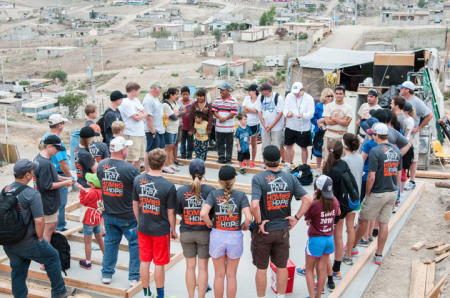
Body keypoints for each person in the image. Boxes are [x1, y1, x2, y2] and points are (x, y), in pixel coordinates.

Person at [3, 159, 76, 298]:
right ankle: (59, 291)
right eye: (32, 171)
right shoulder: (31, 193)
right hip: (28, 241)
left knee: (18, 271)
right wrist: (40, 238)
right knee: (53, 256)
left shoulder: (6, 189)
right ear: (27, 175)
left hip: (9, 241)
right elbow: (39, 220)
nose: (34, 173)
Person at [250, 145, 312, 298]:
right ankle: (281, 296)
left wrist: (259, 222)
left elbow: (255, 205)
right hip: (282, 230)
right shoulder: (290, 177)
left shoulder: (258, 178)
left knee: (262, 268)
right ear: (280, 160)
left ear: (264, 160)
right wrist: (296, 218)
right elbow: (307, 199)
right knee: (281, 266)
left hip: (264, 231)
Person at [353, 123, 402, 265]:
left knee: (362, 220)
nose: (370, 136)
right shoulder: (396, 151)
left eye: (372, 134)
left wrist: (368, 193)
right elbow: (398, 174)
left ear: (376, 135)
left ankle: (352, 247)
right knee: (384, 223)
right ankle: (379, 254)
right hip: (391, 191)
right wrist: (395, 189)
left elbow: (371, 176)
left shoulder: (375, 151)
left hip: (377, 192)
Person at [200, 165, 252, 298]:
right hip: (235, 237)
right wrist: (245, 225)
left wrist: (209, 222)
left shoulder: (213, 194)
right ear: (234, 180)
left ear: (219, 180)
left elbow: (203, 213)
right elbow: (249, 217)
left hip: (217, 235)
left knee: (218, 275)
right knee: (231, 276)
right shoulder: (241, 195)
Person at [133, 148, 178, 298]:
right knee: (159, 263)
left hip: (144, 227)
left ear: (148, 162)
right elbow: (171, 212)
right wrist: (173, 230)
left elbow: (135, 204)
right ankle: (160, 294)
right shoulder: (168, 186)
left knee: (144, 261)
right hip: (161, 230)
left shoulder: (138, 180)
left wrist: (140, 222)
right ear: (164, 163)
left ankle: (146, 292)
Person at [97, 137, 141, 286]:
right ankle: (134, 277)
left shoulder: (101, 165)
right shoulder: (130, 169)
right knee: (134, 244)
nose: (127, 150)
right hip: (128, 215)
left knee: (110, 242)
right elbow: (139, 190)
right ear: (123, 150)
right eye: (126, 148)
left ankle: (106, 274)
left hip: (109, 214)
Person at [175, 159, 215, 298]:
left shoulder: (181, 190)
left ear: (189, 172)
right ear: (204, 172)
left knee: (190, 267)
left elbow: (179, 212)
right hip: (204, 233)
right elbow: (213, 214)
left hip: (187, 232)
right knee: (203, 268)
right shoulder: (211, 190)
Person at [35, 135, 74, 270]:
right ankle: (44, 261)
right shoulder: (45, 163)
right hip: (48, 202)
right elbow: (46, 185)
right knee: (48, 231)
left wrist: (64, 179)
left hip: (45, 201)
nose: (58, 151)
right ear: (49, 146)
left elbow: (51, 176)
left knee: (48, 230)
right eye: (56, 148)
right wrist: (64, 183)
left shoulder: (40, 158)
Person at [304, 175, 340, 298]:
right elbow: (338, 213)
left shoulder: (315, 204)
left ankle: (312, 296)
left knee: (309, 269)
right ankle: (318, 295)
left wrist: (314, 199)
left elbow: (307, 219)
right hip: (329, 237)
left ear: (317, 189)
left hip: (316, 239)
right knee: (323, 268)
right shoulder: (334, 201)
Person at [322, 139, 353, 280]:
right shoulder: (343, 164)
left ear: (328, 152)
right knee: (338, 236)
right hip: (343, 205)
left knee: (324, 238)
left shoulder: (328, 170)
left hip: (329, 207)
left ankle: (322, 270)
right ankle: (336, 269)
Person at [398, 81, 433, 191]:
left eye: (402, 88)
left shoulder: (416, 101)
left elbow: (429, 114)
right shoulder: (403, 101)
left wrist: (419, 127)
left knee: (413, 156)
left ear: (407, 90)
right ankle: (401, 179)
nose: (400, 89)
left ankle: (412, 181)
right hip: (402, 132)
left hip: (412, 134)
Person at [42, 113, 72, 232]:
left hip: (51, 172)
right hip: (59, 173)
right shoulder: (57, 141)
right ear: (60, 125)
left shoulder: (45, 137)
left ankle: (52, 224)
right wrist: (69, 177)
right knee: (61, 202)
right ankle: (59, 226)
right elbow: (62, 163)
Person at [341, 133, 363, 266]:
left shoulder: (344, 161)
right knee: (350, 226)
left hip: (345, 198)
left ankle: (341, 255)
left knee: (339, 228)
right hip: (356, 196)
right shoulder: (360, 157)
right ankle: (350, 252)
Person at [357, 117, 379, 246]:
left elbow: (362, 160)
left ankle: (364, 237)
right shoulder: (383, 145)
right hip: (377, 177)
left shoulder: (368, 144)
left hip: (366, 176)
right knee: (373, 208)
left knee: (364, 208)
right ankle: (370, 235)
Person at [283, 82, 315, 170]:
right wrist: (287, 114)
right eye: (294, 92)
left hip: (303, 127)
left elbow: (311, 113)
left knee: (304, 147)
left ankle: (304, 165)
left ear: (302, 90)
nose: (296, 94)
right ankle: (287, 164)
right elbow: (285, 109)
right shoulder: (289, 96)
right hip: (290, 126)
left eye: (298, 92)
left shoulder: (309, 98)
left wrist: (303, 115)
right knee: (288, 145)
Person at [79, 173, 105, 270]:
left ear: (92, 184)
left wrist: (82, 192)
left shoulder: (92, 192)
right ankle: (105, 256)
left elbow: (83, 202)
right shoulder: (101, 191)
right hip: (97, 218)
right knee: (99, 239)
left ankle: (88, 262)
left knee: (88, 242)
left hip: (89, 219)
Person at [119, 82, 147, 169]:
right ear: (133, 91)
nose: (138, 93)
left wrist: (140, 115)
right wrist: (141, 116)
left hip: (139, 133)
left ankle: (136, 174)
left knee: (138, 156)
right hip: (131, 133)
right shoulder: (125, 102)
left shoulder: (136, 100)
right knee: (130, 157)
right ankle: (127, 175)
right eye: (138, 91)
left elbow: (145, 113)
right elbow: (136, 118)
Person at [257, 82, 285, 169]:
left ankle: (275, 163)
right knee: (265, 145)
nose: (260, 92)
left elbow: (280, 113)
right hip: (265, 126)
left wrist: (272, 125)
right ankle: (265, 161)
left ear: (267, 91)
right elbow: (259, 111)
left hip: (276, 127)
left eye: (261, 90)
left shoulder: (278, 98)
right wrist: (264, 124)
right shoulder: (260, 97)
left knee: (276, 145)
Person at [323, 85, 353, 162]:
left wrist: (333, 118)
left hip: (342, 135)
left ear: (344, 95)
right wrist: (341, 120)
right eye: (337, 93)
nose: (338, 95)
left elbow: (346, 123)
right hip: (330, 134)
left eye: (340, 94)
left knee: (341, 158)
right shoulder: (329, 106)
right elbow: (327, 121)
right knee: (327, 158)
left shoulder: (348, 107)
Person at [212, 82, 238, 164]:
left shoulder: (233, 101)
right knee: (220, 143)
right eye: (220, 90)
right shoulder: (216, 100)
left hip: (229, 127)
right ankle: (221, 158)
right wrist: (220, 118)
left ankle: (228, 159)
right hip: (219, 127)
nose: (221, 91)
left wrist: (225, 119)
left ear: (228, 90)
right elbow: (214, 111)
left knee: (229, 144)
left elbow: (234, 112)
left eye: (223, 90)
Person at [143, 81, 166, 172]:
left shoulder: (155, 99)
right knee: (150, 152)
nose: (161, 90)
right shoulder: (148, 100)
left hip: (160, 129)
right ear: (156, 88)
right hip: (153, 130)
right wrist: (153, 132)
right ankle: (148, 171)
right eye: (160, 88)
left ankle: (157, 169)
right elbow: (149, 118)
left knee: (159, 151)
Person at [311, 88, 334, 177]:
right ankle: (318, 168)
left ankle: (327, 169)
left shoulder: (334, 106)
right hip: (319, 131)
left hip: (330, 130)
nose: (330, 98)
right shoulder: (319, 106)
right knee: (318, 151)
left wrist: (324, 119)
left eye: (331, 96)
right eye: (328, 96)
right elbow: (313, 117)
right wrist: (317, 122)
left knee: (329, 151)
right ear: (324, 96)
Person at [241, 84, 261, 168]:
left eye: (249, 90)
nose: (248, 92)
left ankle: (252, 161)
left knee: (253, 143)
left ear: (254, 91)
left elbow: (256, 111)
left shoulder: (259, 99)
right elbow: (242, 109)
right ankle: (245, 160)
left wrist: (247, 108)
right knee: (245, 143)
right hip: (246, 124)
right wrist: (251, 110)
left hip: (255, 124)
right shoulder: (246, 98)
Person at [162, 88, 181, 173]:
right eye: (176, 94)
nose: (178, 96)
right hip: (169, 128)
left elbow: (181, 112)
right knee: (167, 147)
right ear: (171, 95)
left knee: (172, 146)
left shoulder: (175, 103)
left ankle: (170, 164)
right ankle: (165, 165)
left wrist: (177, 114)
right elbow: (174, 117)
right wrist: (178, 114)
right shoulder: (165, 104)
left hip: (175, 128)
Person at [75, 126, 99, 191]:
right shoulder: (85, 154)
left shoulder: (77, 148)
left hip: (81, 181)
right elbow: (95, 171)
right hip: (88, 185)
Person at [178, 86, 195, 160]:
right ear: (181, 94)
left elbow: (195, 113)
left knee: (190, 142)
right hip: (181, 125)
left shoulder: (192, 102)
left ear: (189, 94)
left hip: (190, 126)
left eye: (186, 94)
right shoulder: (178, 102)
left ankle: (189, 155)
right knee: (182, 142)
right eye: (183, 94)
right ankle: (183, 155)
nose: (185, 96)